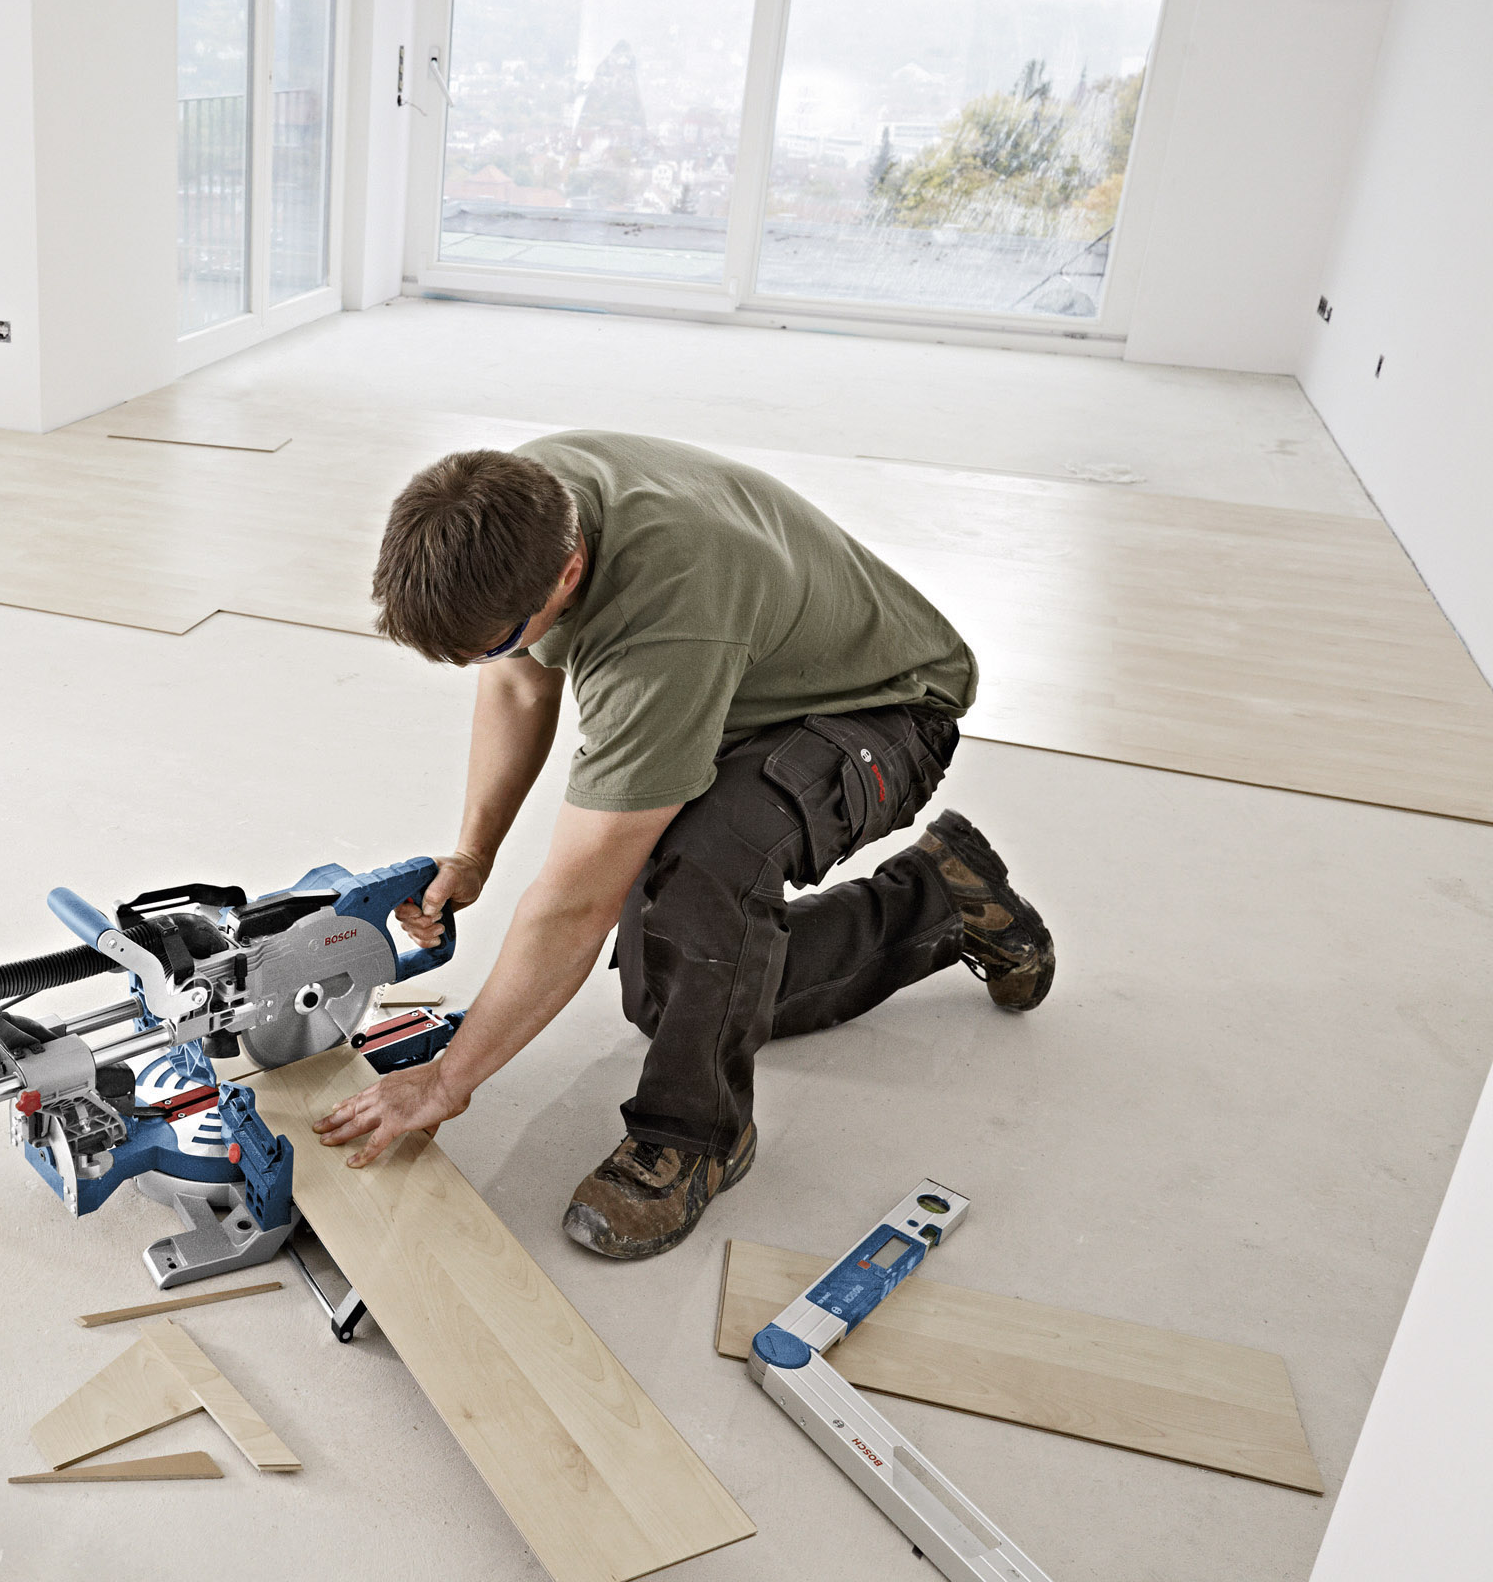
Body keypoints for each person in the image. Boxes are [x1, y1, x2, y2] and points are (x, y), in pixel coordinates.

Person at [311, 433, 1054, 1259]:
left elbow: (575, 905)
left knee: (706, 869)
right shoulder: (510, 505)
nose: (484, 660)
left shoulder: (663, 628)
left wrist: (448, 1080)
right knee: (672, 998)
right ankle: (942, 899)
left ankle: (696, 1138)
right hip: (751, 683)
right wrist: (474, 853)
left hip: (887, 710)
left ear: (568, 573)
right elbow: (519, 677)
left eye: (486, 643)